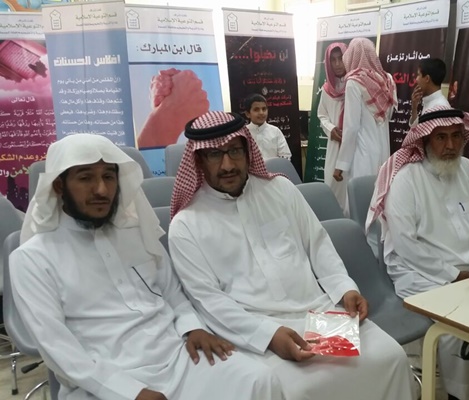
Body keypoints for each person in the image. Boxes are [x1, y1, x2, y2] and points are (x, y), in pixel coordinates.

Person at [10, 134, 283, 400]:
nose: (101, 190)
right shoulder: (33, 258)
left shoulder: (135, 233)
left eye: (108, 177)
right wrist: (131, 393)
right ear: (59, 186)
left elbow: (173, 292)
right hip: (104, 380)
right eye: (85, 178)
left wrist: (193, 328)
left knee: (259, 380)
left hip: (177, 357)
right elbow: (57, 347)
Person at [168, 111, 415, 400]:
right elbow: (208, 300)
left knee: (389, 358)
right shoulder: (186, 225)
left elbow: (318, 244)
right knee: (296, 390)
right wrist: (269, 336)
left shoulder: (280, 189)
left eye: (235, 151)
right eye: (214, 155)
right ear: (198, 160)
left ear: (247, 150)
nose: (228, 165)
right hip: (253, 331)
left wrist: (344, 288)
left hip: (317, 315)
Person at [367, 106, 469, 400]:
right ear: (425, 140)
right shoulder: (406, 179)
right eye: (441, 137)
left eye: (456, 136)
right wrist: (455, 275)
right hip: (421, 273)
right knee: (461, 326)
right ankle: (461, 392)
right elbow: (406, 246)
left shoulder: (468, 170)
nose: (450, 145)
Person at [333, 37, 396, 183]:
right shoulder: (387, 79)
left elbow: (351, 127)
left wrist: (341, 165)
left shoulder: (354, 82)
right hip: (384, 152)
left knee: (360, 195)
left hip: (363, 154)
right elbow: (389, 115)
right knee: (380, 193)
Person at [317, 42, 348, 213]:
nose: (337, 64)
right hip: (335, 146)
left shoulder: (356, 85)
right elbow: (322, 115)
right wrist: (331, 129)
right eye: (333, 60)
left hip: (354, 146)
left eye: (341, 58)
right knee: (332, 187)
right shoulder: (327, 89)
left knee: (351, 192)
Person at [244, 93, 292, 160]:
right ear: (247, 114)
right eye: (256, 109)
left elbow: (285, 156)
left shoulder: (275, 132)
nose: (261, 113)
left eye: (264, 109)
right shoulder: (243, 133)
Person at [409, 58, 450, 126]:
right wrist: (414, 108)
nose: (416, 79)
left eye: (418, 75)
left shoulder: (440, 108)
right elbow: (417, 129)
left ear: (427, 79)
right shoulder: (430, 101)